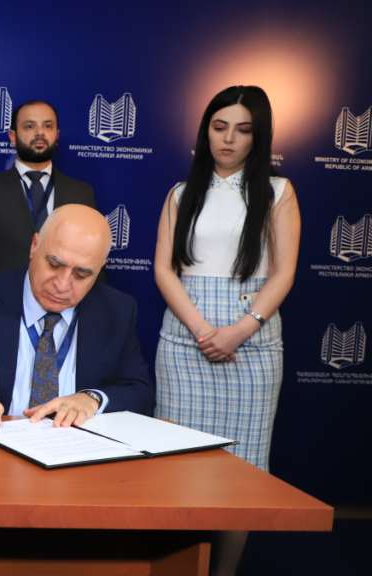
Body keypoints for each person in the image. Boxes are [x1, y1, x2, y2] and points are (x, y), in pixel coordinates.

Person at [153, 85, 300, 576]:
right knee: (175, 465)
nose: (229, 139)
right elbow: (164, 270)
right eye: (219, 127)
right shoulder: (180, 193)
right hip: (184, 343)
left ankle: (224, 572)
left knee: (245, 470)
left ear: (259, 136)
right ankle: (178, 567)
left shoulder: (278, 191)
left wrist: (241, 329)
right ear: (206, 131)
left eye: (242, 130)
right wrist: (201, 329)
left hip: (252, 346)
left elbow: (283, 272)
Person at [0, 204, 154, 427]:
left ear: (100, 268)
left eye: (81, 275)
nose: (62, 285)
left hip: (77, 447)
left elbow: (141, 392)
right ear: (34, 246)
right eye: (54, 265)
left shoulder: (117, 310)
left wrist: (92, 399)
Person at [0, 100, 102, 282]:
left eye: (47, 126)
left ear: (56, 136)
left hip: (63, 295)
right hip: (3, 297)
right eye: (29, 126)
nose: (40, 132)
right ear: (12, 136)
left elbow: (94, 262)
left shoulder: (81, 193)